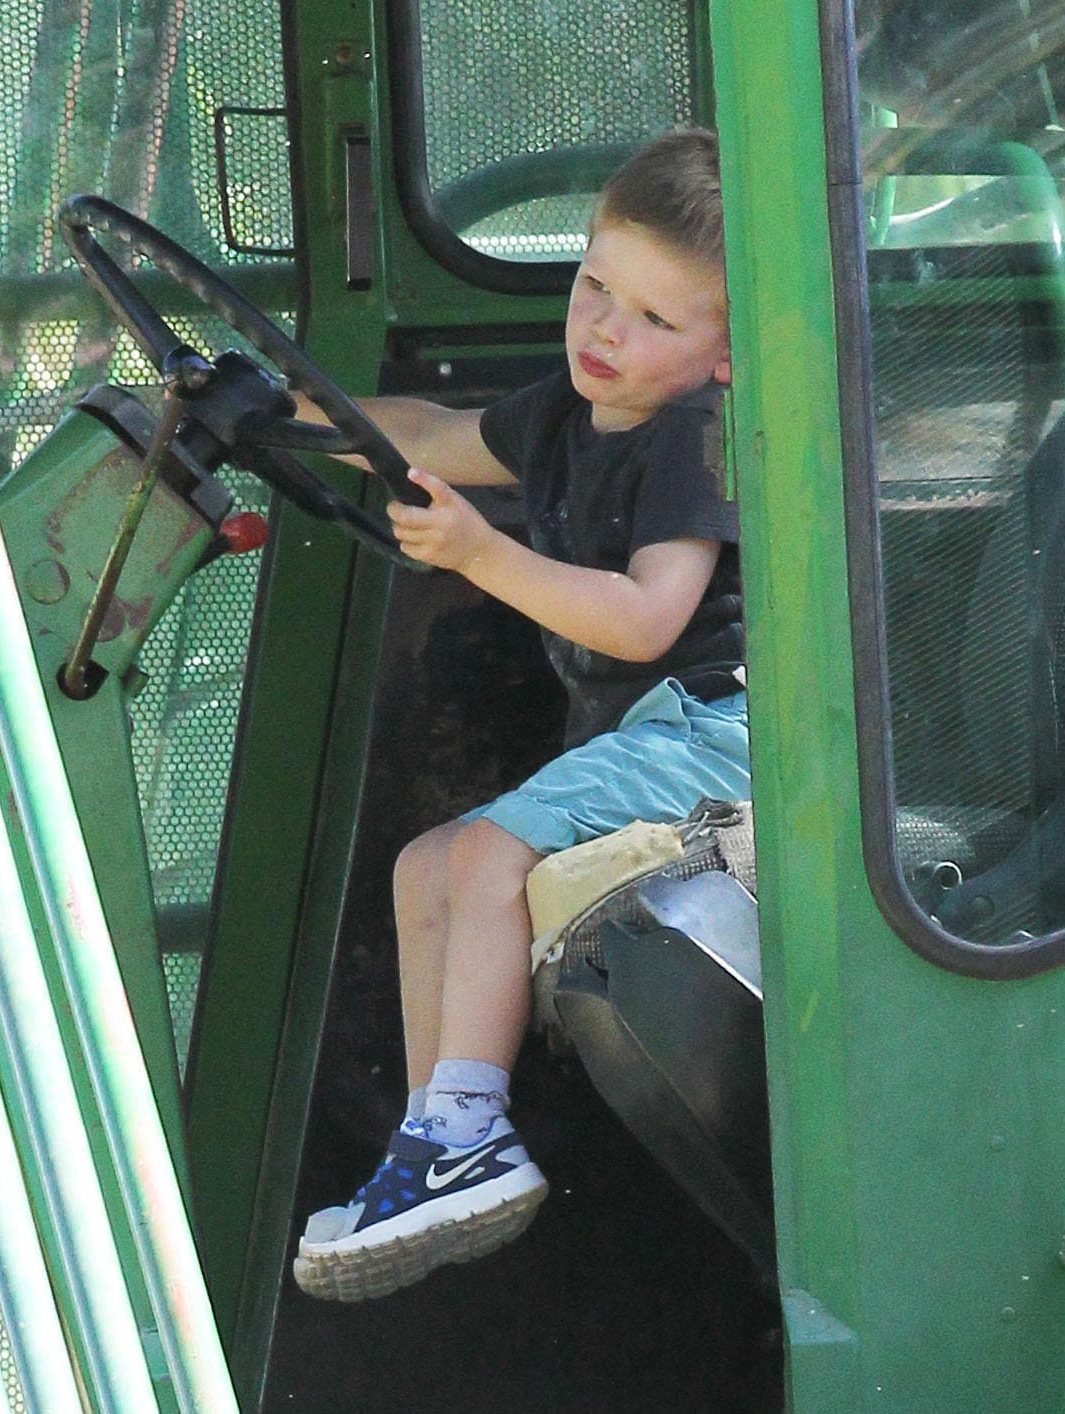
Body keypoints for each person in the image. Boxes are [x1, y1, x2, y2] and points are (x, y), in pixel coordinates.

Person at [291, 127, 749, 1303]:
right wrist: (290, 406)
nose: (605, 331)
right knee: (424, 863)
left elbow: (650, 618)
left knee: (489, 850)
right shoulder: (569, 412)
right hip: (645, 732)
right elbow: (436, 438)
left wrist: (483, 554)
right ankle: (433, 1137)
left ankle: (469, 1135)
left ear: (727, 356)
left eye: (656, 319)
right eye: (597, 286)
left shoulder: (688, 442)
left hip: (712, 727)